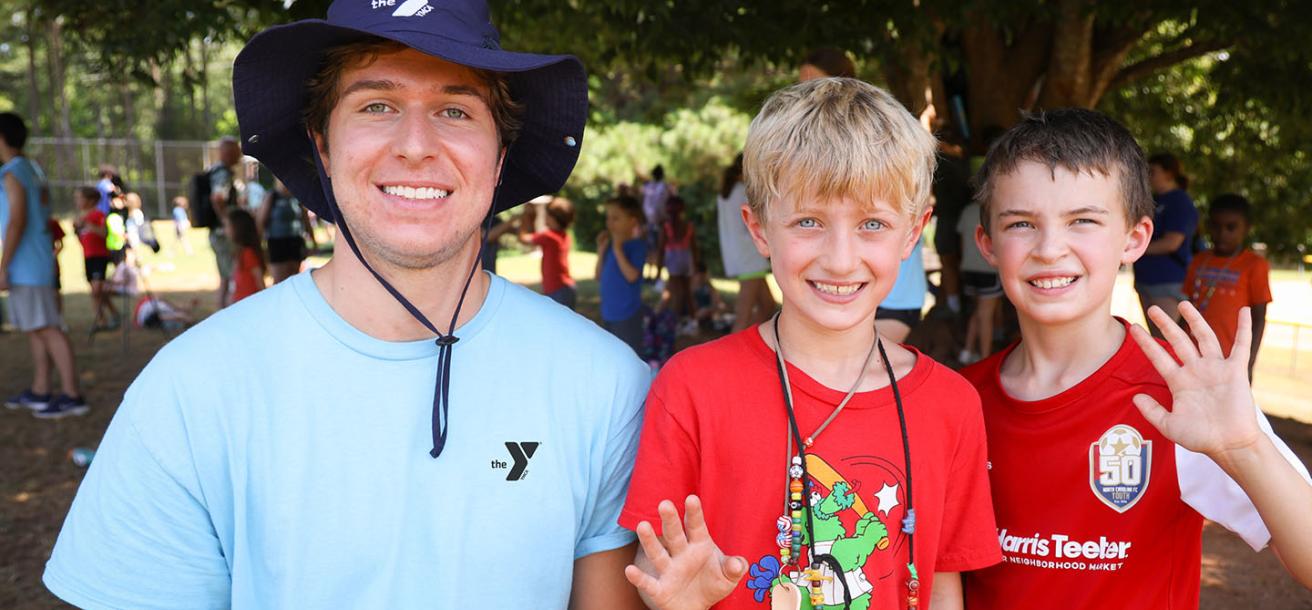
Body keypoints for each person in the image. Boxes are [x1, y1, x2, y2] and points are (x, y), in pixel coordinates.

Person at [43, 1, 649, 607]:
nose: (416, 145)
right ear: (322, 146)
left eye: (456, 110)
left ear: (500, 157)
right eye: (376, 105)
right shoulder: (192, 390)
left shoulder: (602, 382)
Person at [620, 78, 1001, 610]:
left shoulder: (952, 405)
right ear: (758, 229)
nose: (841, 259)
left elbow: (940, 584)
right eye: (808, 222)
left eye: (872, 223)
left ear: (913, 233)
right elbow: (653, 566)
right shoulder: (692, 387)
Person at [960, 108, 1312, 609]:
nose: (1049, 248)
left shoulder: (1183, 393)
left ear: (1135, 239)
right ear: (988, 243)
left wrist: (1244, 448)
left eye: (1082, 220)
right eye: (1021, 223)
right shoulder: (957, 401)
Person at [798, 49, 927, 343]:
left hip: (896, 298)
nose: (803, 92)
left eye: (813, 81)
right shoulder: (811, 153)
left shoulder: (873, 141)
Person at [0, 112, 88, 419]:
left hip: (28, 265)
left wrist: (3, 265)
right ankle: (40, 390)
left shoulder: (13, 173)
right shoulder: (32, 169)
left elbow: (16, 221)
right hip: (37, 261)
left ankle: (71, 395)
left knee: (48, 328)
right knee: (36, 328)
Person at [1183, 193, 1271, 380]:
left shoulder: (1254, 265)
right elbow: (1187, 310)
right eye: (1216, 226)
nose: (1222, 233)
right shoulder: (1199, 261)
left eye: (1231, 227)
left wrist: (1248, 361)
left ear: (1246, 228)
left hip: (1230, 360)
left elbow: (1259, 318)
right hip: (1192, 356)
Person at [1133, 152, 1198, 335]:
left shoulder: (1179, 201)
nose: (1148, 176)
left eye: (1152, 171)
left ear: (1169, 174)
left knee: (1166, 340)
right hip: (1146, 278)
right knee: (1157, 339)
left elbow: (1172, 242)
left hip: (1167, 280)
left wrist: (1135, 247)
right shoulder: (1154, 200)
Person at [716, 153, 776, 333]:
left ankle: (749, 343)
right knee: (743, 316)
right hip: (750, 256)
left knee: (767, 306)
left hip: (740, 256)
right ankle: (734, 354)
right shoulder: (742, 192)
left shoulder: (725, 194)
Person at [597, 194, 648, 355]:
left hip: (627, 313)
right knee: (612, 354)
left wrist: (618, 249)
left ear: (632, 222)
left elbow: (632, 276)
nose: (609, 223)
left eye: (616, 218)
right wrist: (601, 251)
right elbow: (598, 275)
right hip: (608, 311)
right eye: (608, 218)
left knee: (629, 355)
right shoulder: (611, 247)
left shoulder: (637, 246)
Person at [955, 200, 1002, 363]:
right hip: (988, 269)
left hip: (969, 268)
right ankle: (985, 358)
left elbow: (961, 242)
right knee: (986, 315)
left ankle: (967, 351)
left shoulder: (967, 211)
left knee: (977, 311)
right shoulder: (994, 210)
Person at [207, 136, 247, 308]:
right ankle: (227, 313)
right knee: (231, 275)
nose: (239, 155)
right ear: (228, 152)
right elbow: (218, 198)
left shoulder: (217, 171)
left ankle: (223, 312)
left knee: (225, 277)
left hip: (219, 231)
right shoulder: (222, 174)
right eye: (237, 150)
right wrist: (227, 223)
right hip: (222, 233)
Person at [72, 186, 120, 330]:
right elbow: (81, 238)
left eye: (80, 198)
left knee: (96, 290)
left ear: (91, 200)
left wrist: (89, 225)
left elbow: (104, 233)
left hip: (99, 255)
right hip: (88, 256)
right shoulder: (80, 217)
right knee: (97, 290)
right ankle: (113, 314)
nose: (77, 201)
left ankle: (100, 321)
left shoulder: (98, 215)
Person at [517, 196, 577, 309]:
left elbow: (523, 238)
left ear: (553, 218)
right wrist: (532, 217)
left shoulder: (549, 237)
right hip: (565, 288)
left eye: (547, 214)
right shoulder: (562, 236)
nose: (544, 216)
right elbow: (534, 235)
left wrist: (525, 216)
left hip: (557, 290)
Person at [257, 178, 316, 284]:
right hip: (277, 243)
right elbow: (261, 222)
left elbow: (305, 220)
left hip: (295, 242)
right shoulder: (272, 196)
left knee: (295, 279)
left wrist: (313, 241)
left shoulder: (296, 196)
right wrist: (260, 246)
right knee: (280, 281)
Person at [661, 196, 696, 319]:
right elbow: (694, 247)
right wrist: (695, 265)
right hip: (686, 259)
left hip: (673, 261)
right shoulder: (688, 225)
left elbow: (661, 248)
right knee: (687, 292)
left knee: (676, 293)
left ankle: (674, 322)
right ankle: (693, 320)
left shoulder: (666, 227)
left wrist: (658, 269)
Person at [225, 208, 266, 304]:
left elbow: (259, 279)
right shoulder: (239, 252)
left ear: (238, 228)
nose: (225, 230)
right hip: (240, 302)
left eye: (227, 226)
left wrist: (264, 301)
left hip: (250, 302)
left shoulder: (248, 253)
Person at [642, 164, 671, 282]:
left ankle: (653, 275)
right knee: (654, 249)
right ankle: (652, 274)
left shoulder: (651, 187)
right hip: (656, 223)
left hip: (654, 222)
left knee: (654, 249)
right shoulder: (659, 187)